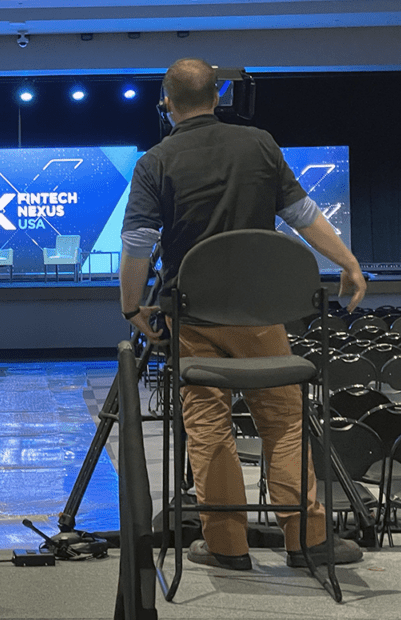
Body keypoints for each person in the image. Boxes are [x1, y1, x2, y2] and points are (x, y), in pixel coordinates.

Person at [120, 58, 367, 571]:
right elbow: (303, 216)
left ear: (166, 102)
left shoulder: (154, 161)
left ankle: (227, 548)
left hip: (192, 320)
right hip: (261, 317)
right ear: (219, 98)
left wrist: (130, 305)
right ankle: (308, 542)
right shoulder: (259, 143)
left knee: (209, 425)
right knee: (282, 422)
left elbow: (139, 242)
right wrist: (347, 263)